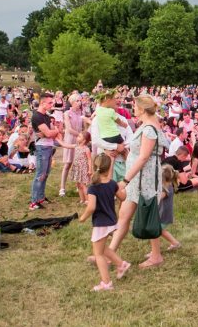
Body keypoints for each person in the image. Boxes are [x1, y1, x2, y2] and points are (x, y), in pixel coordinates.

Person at [108, 93, 167, 269]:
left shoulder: (149, 129)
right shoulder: (145, 125)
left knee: (149, 212)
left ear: (141, 109)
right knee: (124, 215)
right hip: (136, 179)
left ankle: (156, 255)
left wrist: (125, 181)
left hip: (144, 179)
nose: (133, 108)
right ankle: (109, 252)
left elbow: (143, 158)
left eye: (135, 106)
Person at [79, 153, 130, 292]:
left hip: (101, 223)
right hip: (111, 221)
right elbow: (123, 197)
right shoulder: (112, 183)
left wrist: (83, 217)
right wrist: (122, 187)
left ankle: (106, 283)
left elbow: (91, 207)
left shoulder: (93, 187)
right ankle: (121, 264)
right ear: (109, 168)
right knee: (102, 248)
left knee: (98, 254)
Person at [29, 94, 59, 211]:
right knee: (40, 174)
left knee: (45, 174)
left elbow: (54, 131)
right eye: (50, 103)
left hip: (48, 146)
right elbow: (49, 133)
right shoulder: (37, 117)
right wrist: (53, 131)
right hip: (42, 147)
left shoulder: (46, 116)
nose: (52, 105)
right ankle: (34, 201)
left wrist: (53, 131)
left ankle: (40, 197)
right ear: (43, 103)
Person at [59, 92, 88, 198]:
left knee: (80, 163)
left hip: (80, 140)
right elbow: (69, 129)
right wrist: (81, 134)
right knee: (68, 163)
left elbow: (85, 126)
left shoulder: (82, 112)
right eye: (77, 101)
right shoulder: (67, 113)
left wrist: (84, 135)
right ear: (72, 102)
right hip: (71, 139)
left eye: (80, 100)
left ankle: (79, 185)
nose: (79, 102)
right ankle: (62, 187)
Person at [156, 164, 181, 252]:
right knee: (159, 231)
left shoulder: (166, 189)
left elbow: (157, 199)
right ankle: (175, 243)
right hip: (162, 213)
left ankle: (156, 251)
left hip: (163, 214)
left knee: (157, 231)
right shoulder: (168, 186)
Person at [69, 132, 93, 204]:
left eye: (79, 136)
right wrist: (58, 139)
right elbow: (66, 145)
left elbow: (89, 159)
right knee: (78, 184)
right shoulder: (76, 146)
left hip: (83, 169)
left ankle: (87, 200)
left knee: (83, 185)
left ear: (84, 140)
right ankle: (82, 200)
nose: (77, 137)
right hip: (77, 168)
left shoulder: (86, 149)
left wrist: (90, 169)